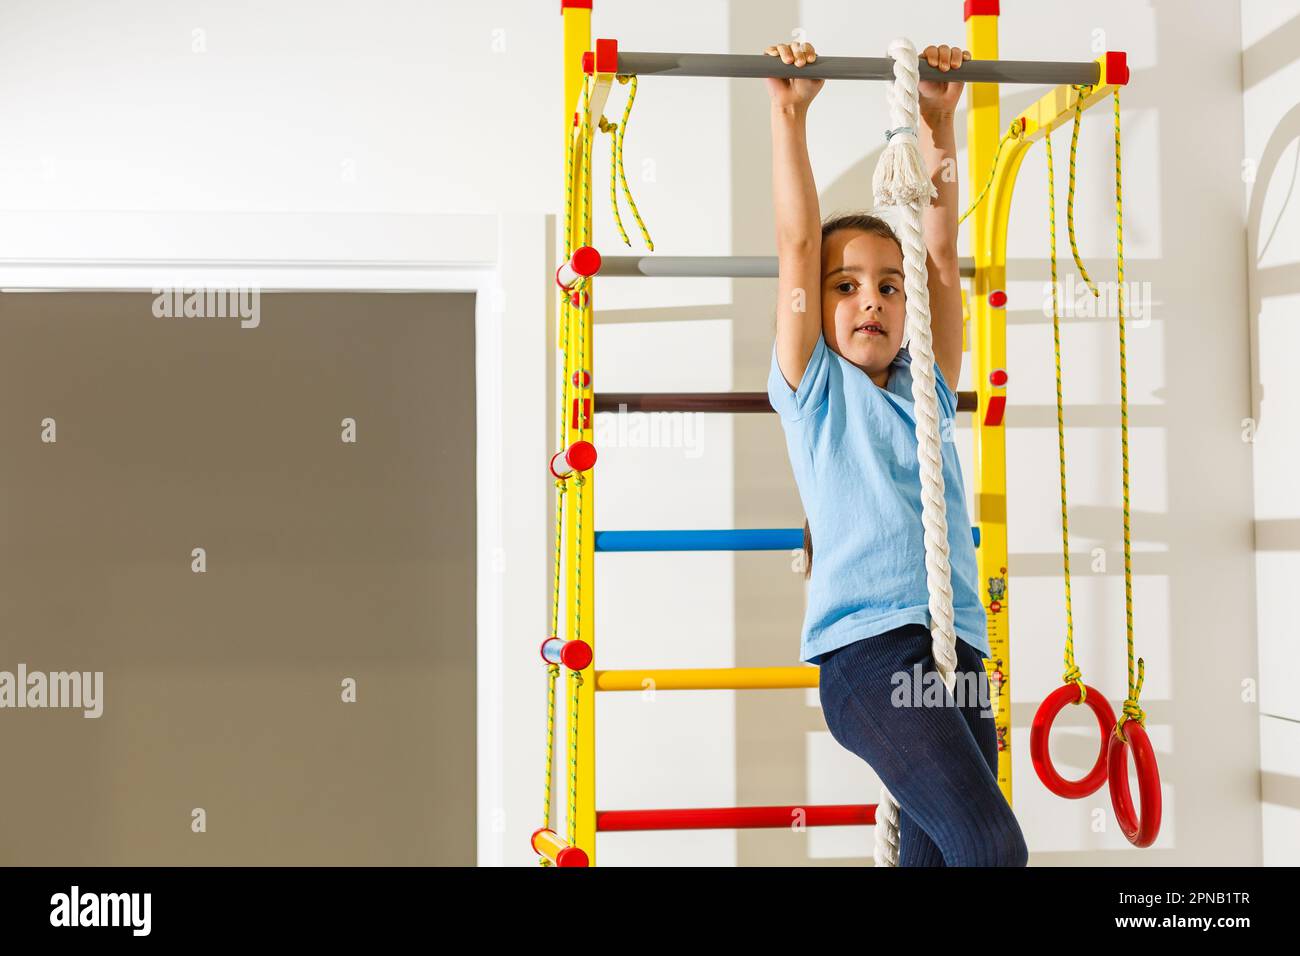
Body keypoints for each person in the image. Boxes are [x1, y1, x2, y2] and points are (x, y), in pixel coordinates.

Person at [764, 39, 1028, 867]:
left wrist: (938, 128)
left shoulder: (925, 386)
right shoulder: (813, 387)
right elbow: (798, 247)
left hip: (961, 652)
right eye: (847, 286)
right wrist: (789, 114)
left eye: (886, 285)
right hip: (870, 654)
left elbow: (941, 261)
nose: (870, 300)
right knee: (991, 850)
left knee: (945, 858)